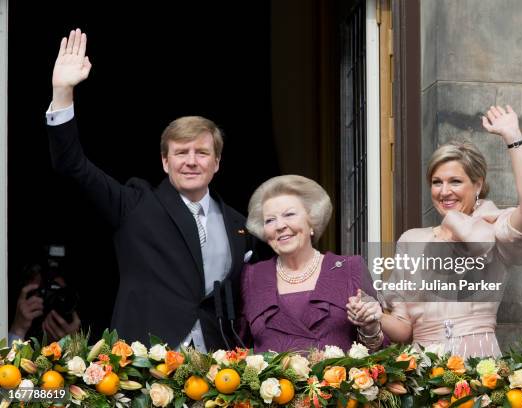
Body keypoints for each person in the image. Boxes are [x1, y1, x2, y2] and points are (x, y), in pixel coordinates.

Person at [46, 29, 253, 350]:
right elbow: (73, 165)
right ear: (165, 162)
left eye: (201, 153)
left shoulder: (239, 224)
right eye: (181, 153)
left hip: (218, 369)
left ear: (217, 162)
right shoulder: (135, 205)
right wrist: (62, 93)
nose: (191, 161)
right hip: (144, 363)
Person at [358, 105, 522, 357]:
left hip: (479, 362)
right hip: (423, 369)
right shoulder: (411, 240)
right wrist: (375, 316)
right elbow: (403, 328)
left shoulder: (493, 226)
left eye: (455, 181)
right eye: (437, 182)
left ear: (477, 184)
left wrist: (513, 138)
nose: (444, 192)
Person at [241, 175, 383, 352]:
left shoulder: (348, 268)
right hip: (273, 380)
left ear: (312, 221)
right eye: (270, 220)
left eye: (289, 214)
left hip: (336, 379)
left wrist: (370, 327)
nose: (279, 226)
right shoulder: (253, 276)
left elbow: (379, 352)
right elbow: (240, 347)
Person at [8, 263, 81, 344]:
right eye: (46, 292)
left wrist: (72, 342)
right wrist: (18, 330)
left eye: (59, 293)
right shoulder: (23, 322)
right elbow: (8, 356)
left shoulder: (72, 324)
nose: (54, 299)